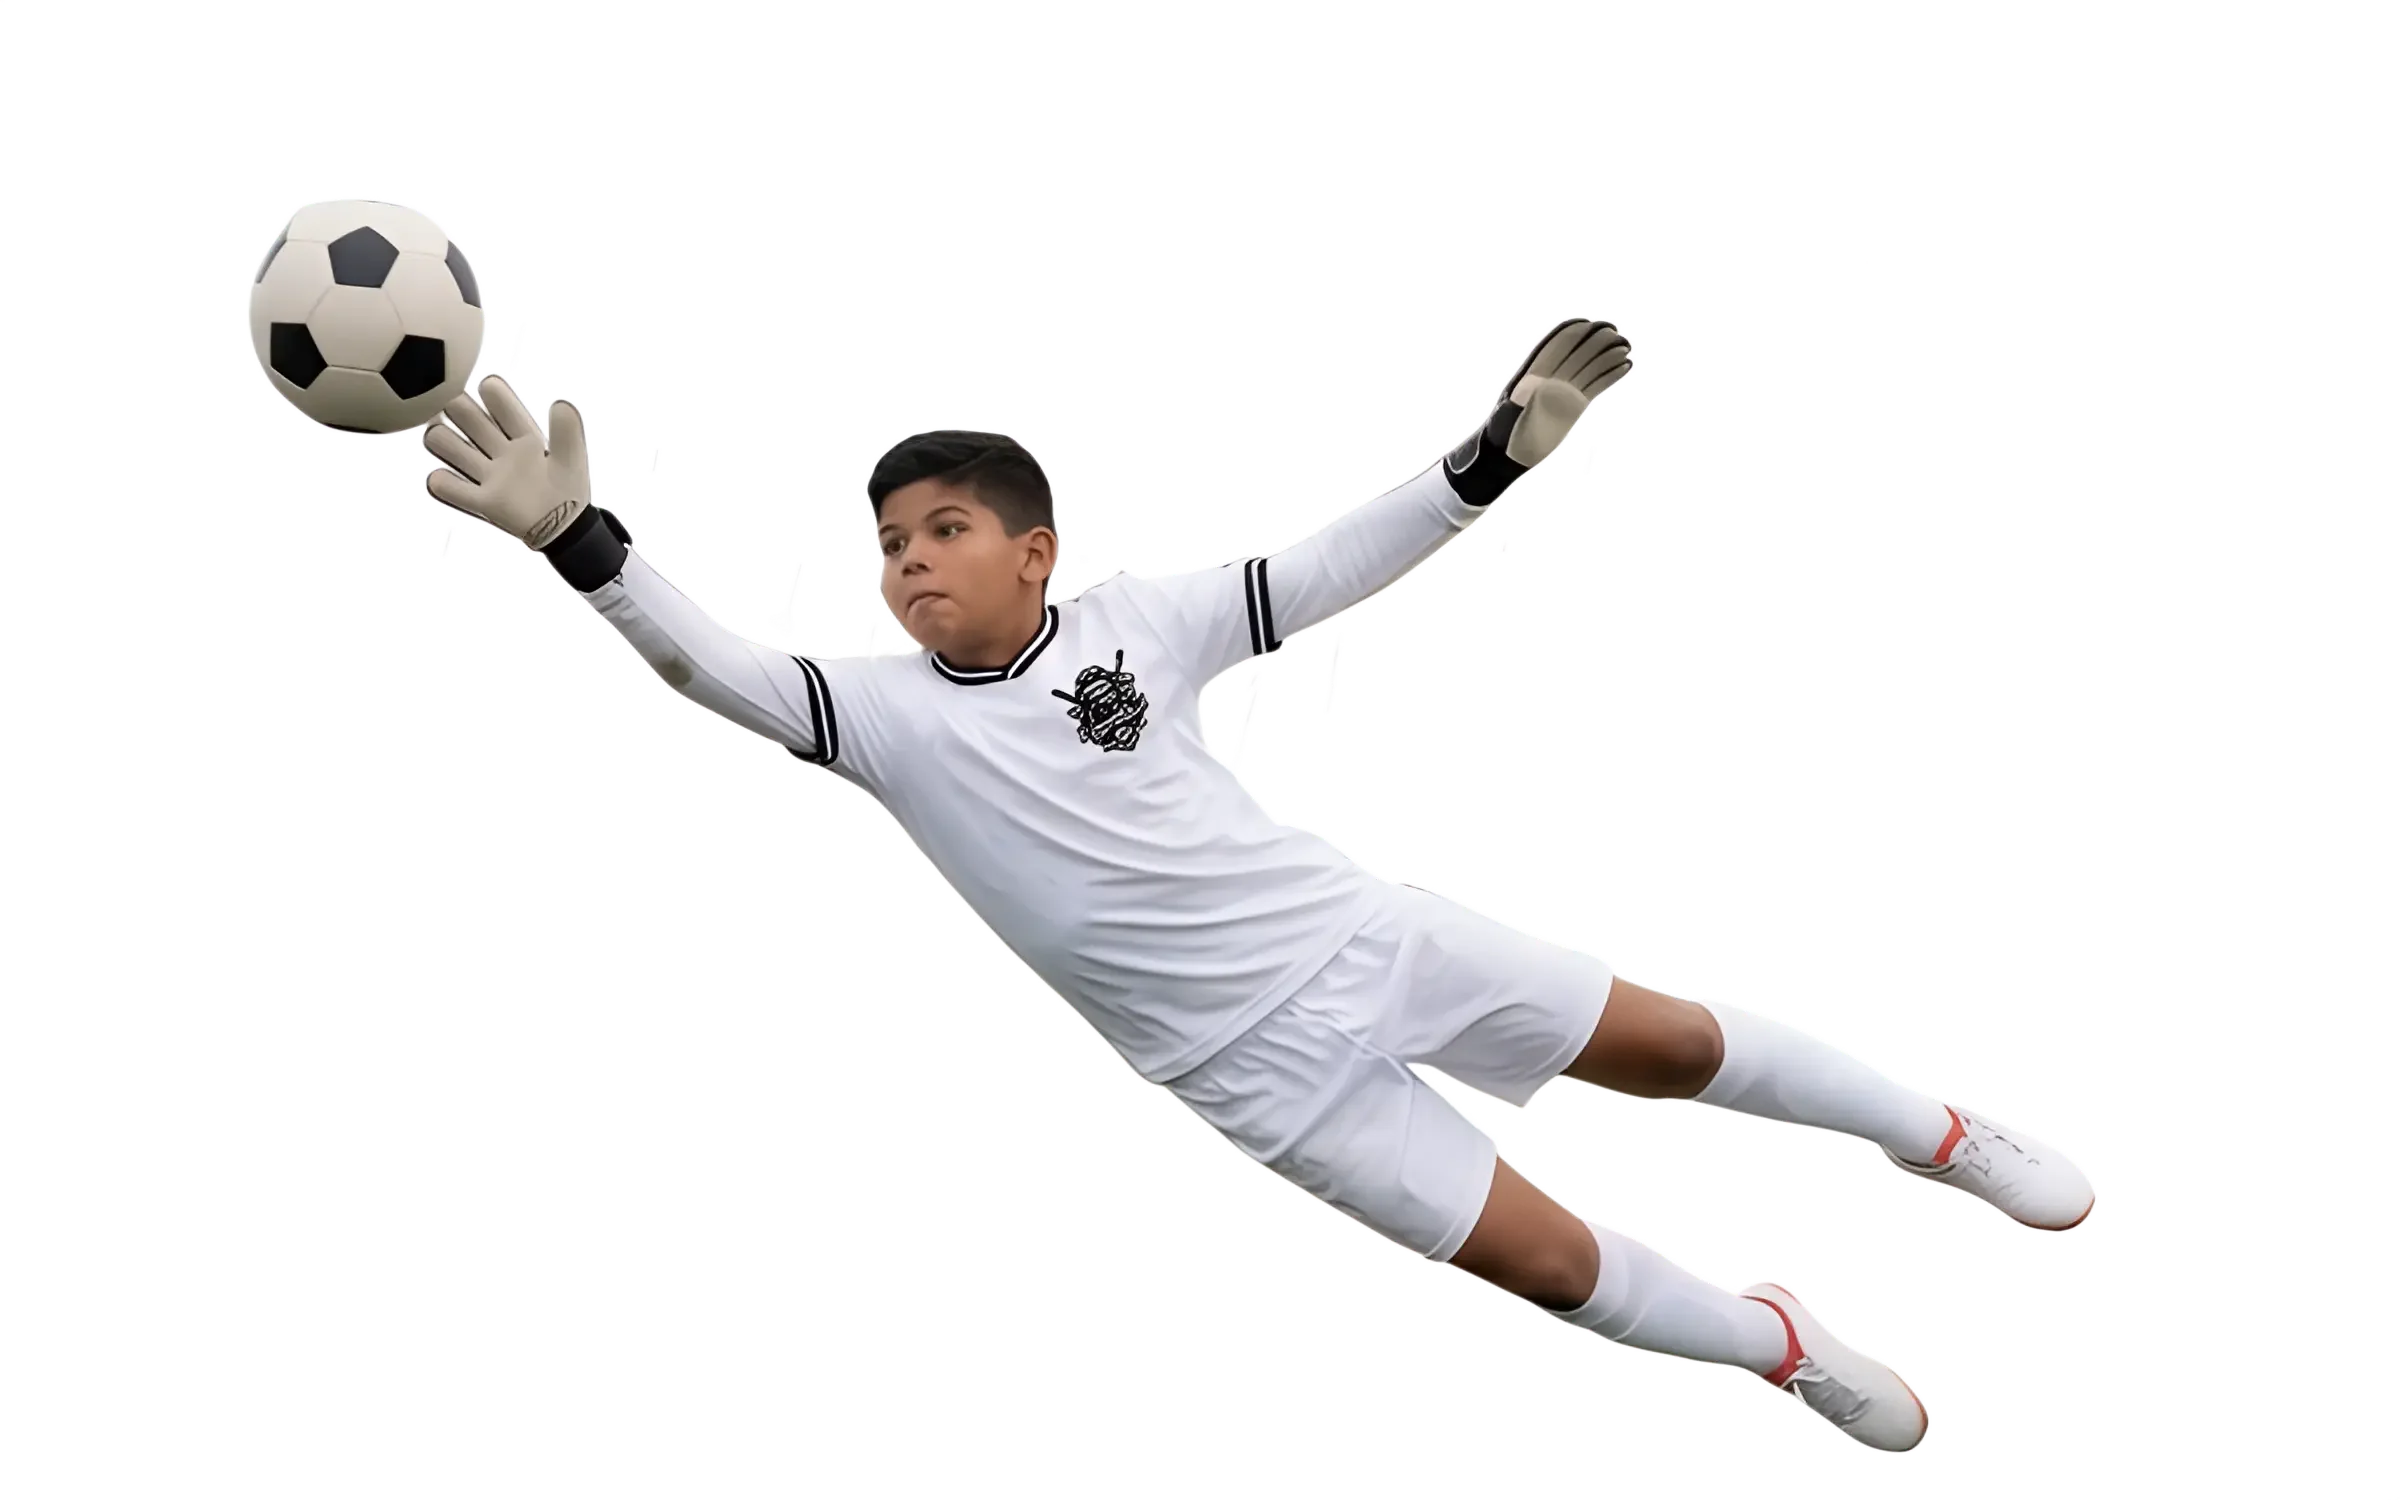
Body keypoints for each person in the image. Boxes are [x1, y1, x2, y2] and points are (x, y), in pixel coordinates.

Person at [422, 316, 2098, 1455]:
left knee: (1660, 1048)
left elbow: (1328, 567)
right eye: (887, 550)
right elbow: (705, 666)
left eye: (939, 532)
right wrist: (586, 544)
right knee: (1553, 1271)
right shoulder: (874, 714)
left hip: (1365, 935)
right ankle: (1785, 1347)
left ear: (1035, 553)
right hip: (1245, 1075)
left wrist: (1493, 454)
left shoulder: (1145, 624)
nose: (906, 565)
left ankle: (1943, 1141)